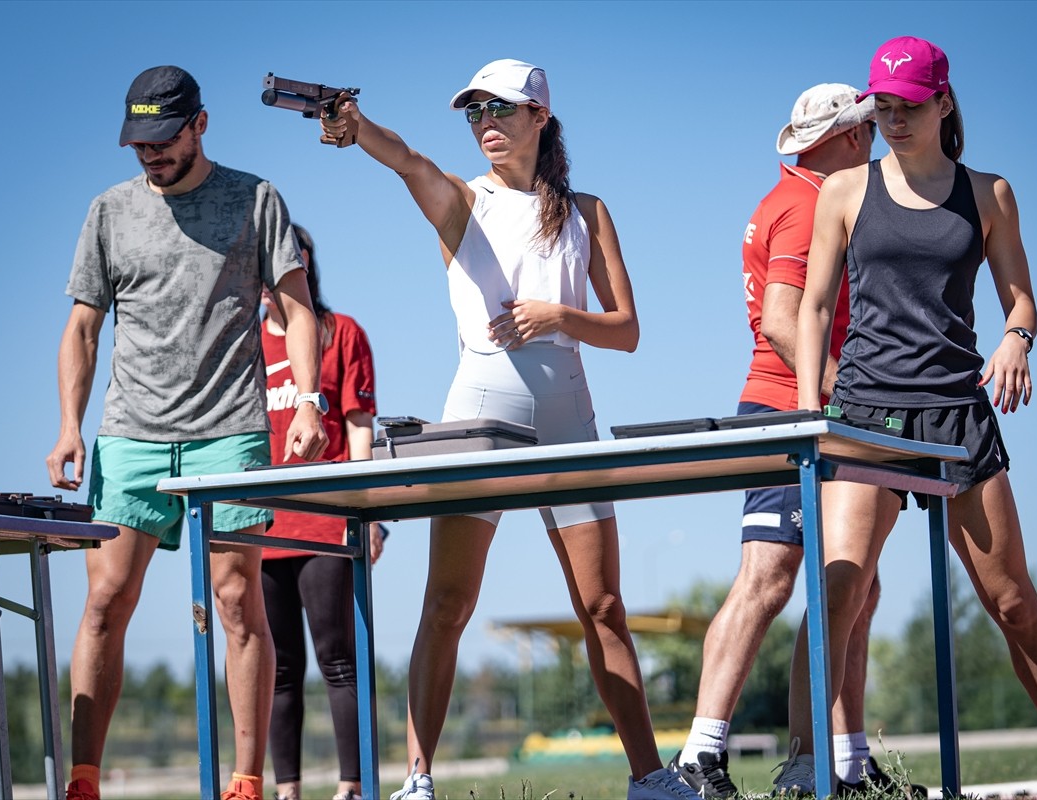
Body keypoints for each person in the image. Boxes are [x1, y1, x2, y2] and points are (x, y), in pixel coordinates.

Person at [315, 58, 697, 800]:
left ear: (539, 117)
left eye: (500, 109)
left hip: (570, 414)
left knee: (605, 608)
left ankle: (649, 778)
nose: (485, 122)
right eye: (473, 112)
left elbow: (627, 331)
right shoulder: (461, 198)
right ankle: (418, 781)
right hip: (479, 414)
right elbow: (406, 160)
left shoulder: (588, 211)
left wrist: (560, 317)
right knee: (448, 602)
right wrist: (355, 128)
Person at [776, 36, 1037, 797]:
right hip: (866, 417)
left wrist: (1016, 340)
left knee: (1013, 600)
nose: (893, 119)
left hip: (959, 415)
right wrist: (807, 412)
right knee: (839, 589)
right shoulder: (845, 192)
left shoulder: (990, 194)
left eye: (907, 106)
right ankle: (804, 760)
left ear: (943, 103)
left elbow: (1020, 300)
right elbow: (816, 307)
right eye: (883, 107)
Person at [46, 65, 328, 800]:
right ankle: (83, 781)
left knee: (236, 600)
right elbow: (82, 327)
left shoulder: (253, 198)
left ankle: (246, 783)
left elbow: (297, 309)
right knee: (107, 601)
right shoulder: (108, 211)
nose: (150, 155)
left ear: (199, 125)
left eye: (163, 140)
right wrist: (69, 428)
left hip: (228, 431)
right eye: (138, 143)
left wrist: (308, 401)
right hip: (131, 433)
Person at [669, 84, 921, 797]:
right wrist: (856, 398)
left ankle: (837, 762)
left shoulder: (797, 195)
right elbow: (783, 321)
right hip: (793, 410)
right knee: (769, 577)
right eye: (867, 129)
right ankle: (703, 754)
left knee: (855, 589)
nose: (875, 140)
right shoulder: (810, 203)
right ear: (841, 137)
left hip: (808, 410)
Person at [260, 223, 386, 800]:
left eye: (293, 258)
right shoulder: (242, 343)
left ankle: (350, 786)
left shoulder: (342, 333)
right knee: (277, 671)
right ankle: (286, 789)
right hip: (258, 528)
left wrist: (364, 513)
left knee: (338, 660)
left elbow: (359, 423)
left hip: (325, 525)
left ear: (306, 265)